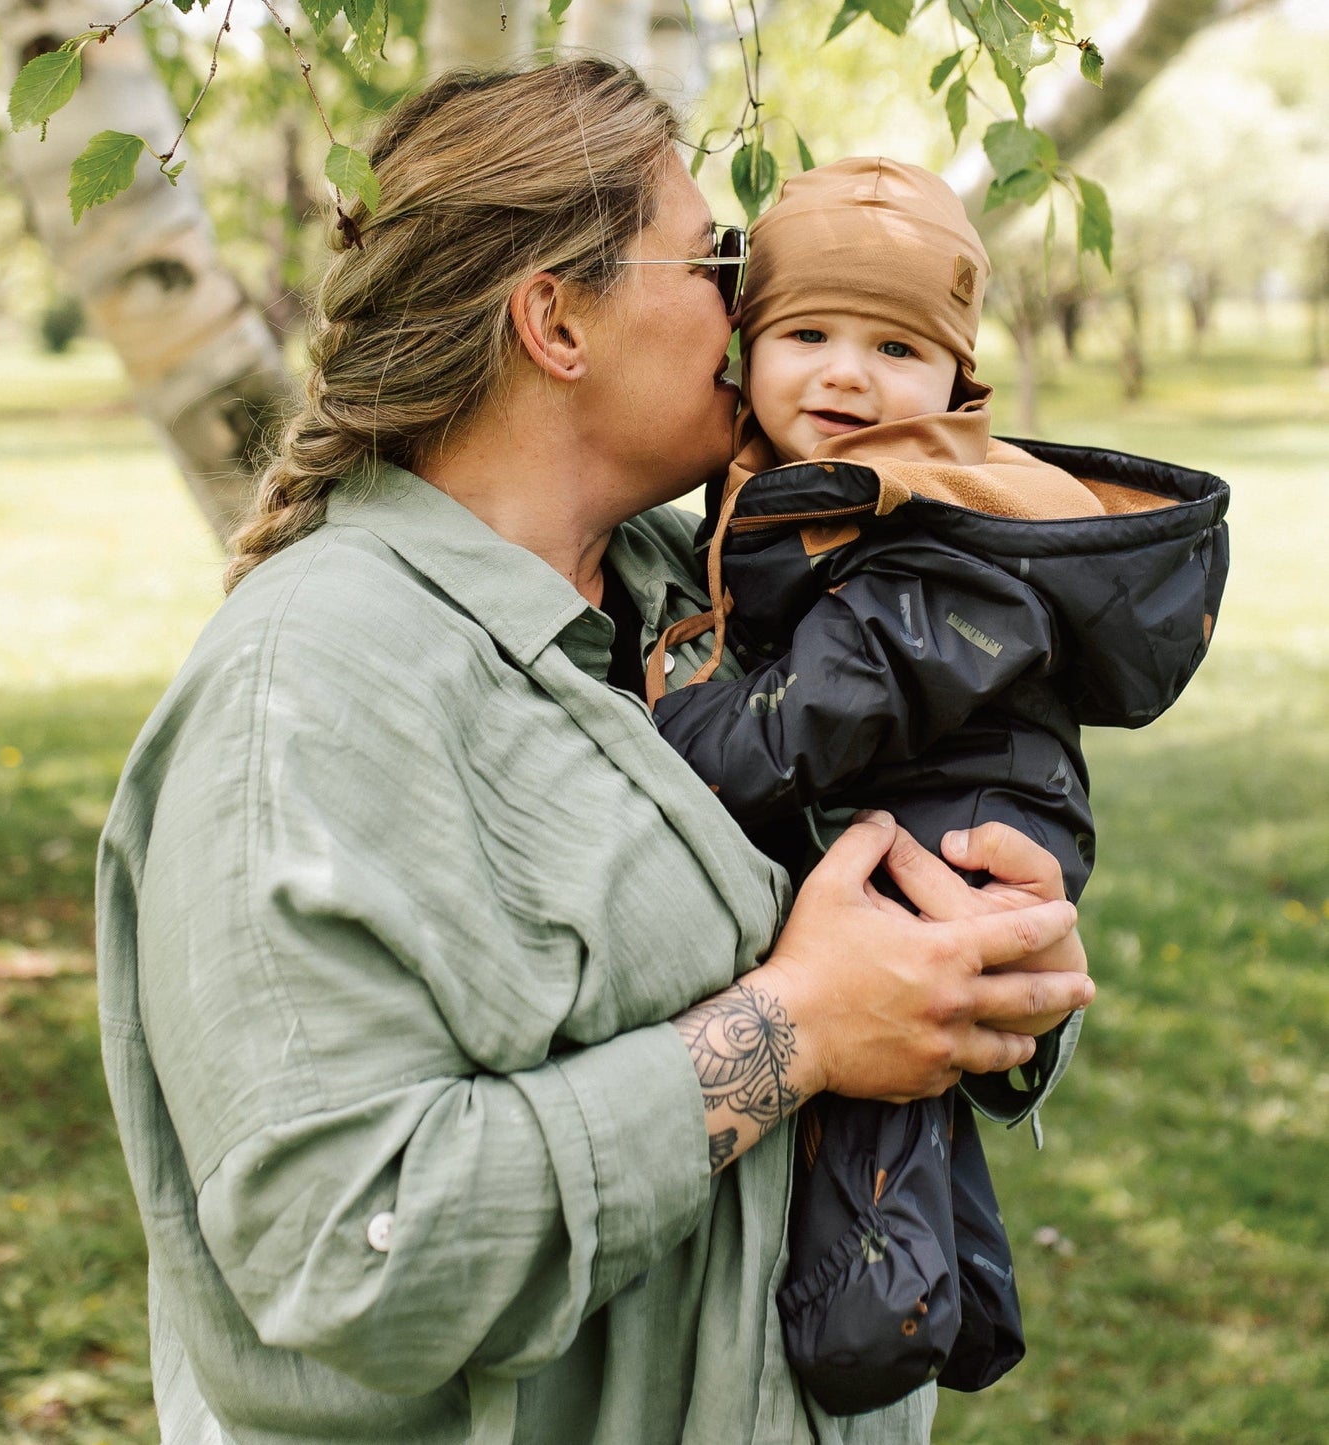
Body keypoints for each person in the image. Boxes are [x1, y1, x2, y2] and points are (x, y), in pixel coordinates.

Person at [94, 68, 1097, 1445]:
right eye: (718, 261)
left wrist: (990, 979)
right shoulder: (305, 696)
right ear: (555, 319)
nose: (749, 309)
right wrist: (793, 1031)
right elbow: (353, 1252)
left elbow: (882, 925)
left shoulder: (704, 595)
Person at [649, 157, 1230, 1414]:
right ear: (742, 348)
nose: (847, 374)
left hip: (968, 819)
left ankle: (875, 1316)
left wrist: (651, 738)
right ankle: (963, 1295)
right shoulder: (806, 494)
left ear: (954, 384)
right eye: (806, 333)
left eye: (895, 349)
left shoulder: (933, 534)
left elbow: (808, 716)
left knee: (881, 1086)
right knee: (920, 1091)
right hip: (938, 794)